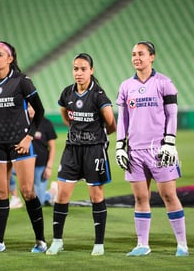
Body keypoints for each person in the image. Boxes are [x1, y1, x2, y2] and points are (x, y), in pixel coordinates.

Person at [115, 41, 188, 257]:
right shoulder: (126, 86)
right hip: (134, 152)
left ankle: (182, 244)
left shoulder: (164, 83)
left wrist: (170, 142)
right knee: (140, 198)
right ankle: (142, 245)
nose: (136, 58)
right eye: (133, 54)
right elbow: (122, 120)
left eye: (141, 54)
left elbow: (172, 115)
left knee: (168, 195)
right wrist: (120, 146)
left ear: (152, 57)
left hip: (160, 150)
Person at [46, 53, 116, 256]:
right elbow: (64, 113)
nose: (79, 72)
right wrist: (76, 130)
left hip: (94, 150)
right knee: (62, 195)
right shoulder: (67, 93)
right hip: (72, 149)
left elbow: (111, 123)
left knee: (96, 196)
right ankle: (57, 241)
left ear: (91, 70)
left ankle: (99, 244)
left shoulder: (99, 95)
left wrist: (96, 136)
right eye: (76, 68)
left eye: (83, 69)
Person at [0, 41, 47, 253]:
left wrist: (28, 138)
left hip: (21, 144)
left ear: (10, 59)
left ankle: (40, 241)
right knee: (1, 193)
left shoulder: (22, 81)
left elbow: (40, 110)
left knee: (27, 191)